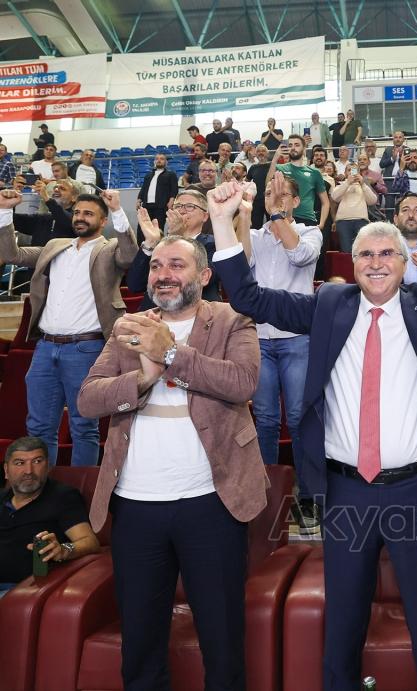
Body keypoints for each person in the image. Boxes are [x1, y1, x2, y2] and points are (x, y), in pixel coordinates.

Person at [209, 176, 417, 691]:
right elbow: (248, 297)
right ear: (351, 262)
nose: (377, 262)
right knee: (341, 628)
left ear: (404, 263)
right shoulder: (327, 306)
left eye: (388, 253)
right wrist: (223, 221)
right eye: (366, 254)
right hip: (346, 492)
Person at [77, 233, 267, 691]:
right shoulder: (129, 326)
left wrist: (169, 354)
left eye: (176, 265)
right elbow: (87, 399)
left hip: (212, 504)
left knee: (222, 643)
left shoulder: (231, 319)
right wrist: (141, 379)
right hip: (136, 507)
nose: (164, 274)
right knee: (140, 644)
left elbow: (242, 383)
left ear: (203, 276)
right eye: (158, 265)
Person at [0, 189, 137, 467]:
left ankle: (79, 497)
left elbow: (130, 255)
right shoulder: (54, 245)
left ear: (102, 221)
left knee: (83, 428)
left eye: (88, 213)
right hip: (44, 348)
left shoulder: (108, 249)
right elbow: (10, 254)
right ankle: (42, 493)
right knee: (38, 427)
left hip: (86, 348)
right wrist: (4, 211)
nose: (80, 217)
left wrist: (118, 212)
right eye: (77, 212)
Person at [237, 172, 322, 534]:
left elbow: (300, 257)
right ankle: (269, 496)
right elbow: (240, 265)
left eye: (279, 193)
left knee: (301, 418)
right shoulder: (255, 235)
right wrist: (243, 215)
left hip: (296, 338)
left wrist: (276, 216)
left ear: (293, 200)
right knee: (267, 420)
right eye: (268, 193)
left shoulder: (309, 230)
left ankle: (309, 498)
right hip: (259, 337)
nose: (271, 197)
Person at [0, 436, 100, 596]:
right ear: (6, 470)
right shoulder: (3, 498)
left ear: (48, 466)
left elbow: (90, 542)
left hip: (21, 590)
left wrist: (64, 549)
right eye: (19, 463)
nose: (28, 471)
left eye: (37, 461)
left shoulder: (63, 497)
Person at [129, 188, 223, 310]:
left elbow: (205, 280)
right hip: (155, 316)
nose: (182, 211)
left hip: (199, 317)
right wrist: (150, 243)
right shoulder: (158, 244)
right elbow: (134, 285)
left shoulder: (215, 243)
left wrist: (179, 238)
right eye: (178, 206)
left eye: (190, 206)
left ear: (205, 216)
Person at [268, 134, 330, 229]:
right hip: (284, 218)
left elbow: (325, 202)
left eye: (297, 145)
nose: (293, 148)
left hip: (308, 220)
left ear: (304, 148)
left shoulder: (314, 173)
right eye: (290, 145)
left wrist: (321, 224)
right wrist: (274, 159)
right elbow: (267, 186)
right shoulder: (279, 168)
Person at [331, 161, 379, 253]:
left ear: (359, 173)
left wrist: (363, 184)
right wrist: (347, 183)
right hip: (343, 222)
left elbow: (372, 201)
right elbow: (335, 197)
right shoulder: (341, 185)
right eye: (349, 170)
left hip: (361, 220)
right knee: (346, 251)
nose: (351, 172)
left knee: (362, 251)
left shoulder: (363, 185)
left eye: (354, 171)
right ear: (345, 173)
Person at [136, 153, 178, 239]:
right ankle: (141, 248)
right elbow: (144, 188)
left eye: (162, 159)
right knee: (142, 229)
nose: (159, 160)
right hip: (146, 206)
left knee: (158, 229)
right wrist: (138, 199)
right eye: (157, 159)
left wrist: (171, 201)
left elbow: (174, 189)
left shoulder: (171, 175)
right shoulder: (148, 175)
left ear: (166, 162)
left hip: (161, 207)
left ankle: (157, 249)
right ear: (154, 161)